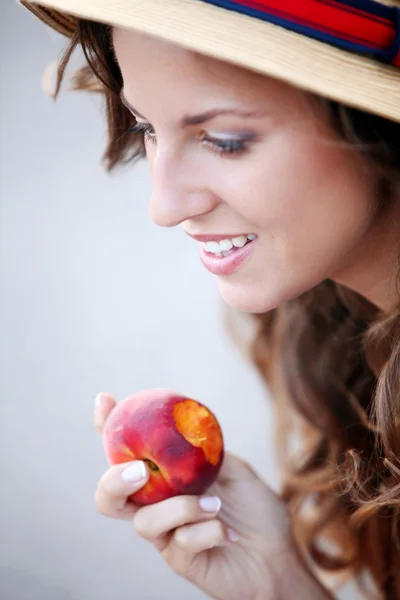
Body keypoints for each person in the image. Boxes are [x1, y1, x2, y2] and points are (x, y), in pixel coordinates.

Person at [21, 0, 400, 598]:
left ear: (375, 123)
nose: (163, 206)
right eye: (146, 127)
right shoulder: (322, 326)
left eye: (223, 141)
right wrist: (279, 585)